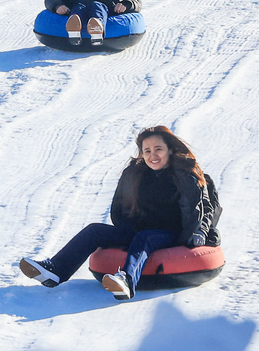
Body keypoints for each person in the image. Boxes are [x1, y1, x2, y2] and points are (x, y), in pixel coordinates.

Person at [18, 126, 221, 301]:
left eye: (158, 149)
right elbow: (121, 206)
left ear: (170, 149)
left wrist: (199, 233)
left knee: (145, 237)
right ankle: (55, 270)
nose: (153, 155)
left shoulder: (187, 174)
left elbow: (203, 207)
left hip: (174, 233)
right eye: (147, 150)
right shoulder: (137, 174)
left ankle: (127, 280)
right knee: (94, 230)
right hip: (141, 229)